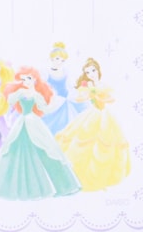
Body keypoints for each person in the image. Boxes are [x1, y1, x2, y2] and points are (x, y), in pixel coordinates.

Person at [0, 67, 81, 200]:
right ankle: (14, 188)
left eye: (29, 78)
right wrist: (14, 91)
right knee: (14, 149)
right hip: (22, 123)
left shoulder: (37, 95)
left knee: (46, 149)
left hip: (33, 122)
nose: (26, 81)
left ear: (35, 80)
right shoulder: (20, 92)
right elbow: (10, 101)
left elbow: (44, 109)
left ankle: (63, 185)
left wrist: (56, 103)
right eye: (23, 79)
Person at [55, 59, 131, 191]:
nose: (91, 74)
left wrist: (100, 97)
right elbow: (79, 98)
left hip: (104, 114)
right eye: (88, 72)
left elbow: (112, 98)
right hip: (92, 114)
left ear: (98, 70)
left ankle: (102, 177)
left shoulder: (103, 85)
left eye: (93, 70)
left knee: (106, 142)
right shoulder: (87, 85)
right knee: (84, 139)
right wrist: (88, 95)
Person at [41, 41, 84, 134]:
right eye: (57, 59)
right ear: (51, 58)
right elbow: (42, 88)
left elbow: (70, 87)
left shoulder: (65, 72)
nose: (59, 62)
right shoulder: (46, 72)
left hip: (64, 102)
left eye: (62, 60)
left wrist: (75, 94)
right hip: (52, 102)